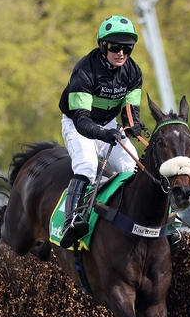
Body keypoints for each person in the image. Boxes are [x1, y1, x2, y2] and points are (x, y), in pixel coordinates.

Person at [58, 15, 148, 249]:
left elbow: (130, 111)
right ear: (102, 45)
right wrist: (103, 134)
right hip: (78, 124)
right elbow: (81, 120)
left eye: (127, 47)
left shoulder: (133, 71)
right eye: (115, 46)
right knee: (87, 166)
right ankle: (71, 221)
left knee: (133, 168)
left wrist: (132, 125)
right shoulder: (85, 71)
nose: (121, 53)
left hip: (108, 124)